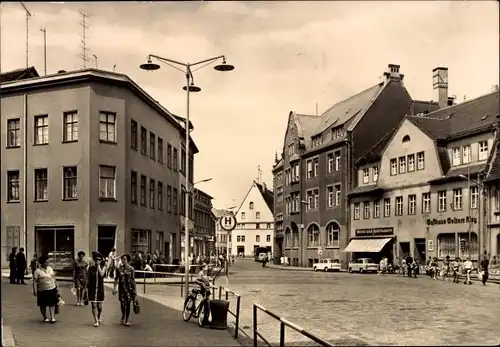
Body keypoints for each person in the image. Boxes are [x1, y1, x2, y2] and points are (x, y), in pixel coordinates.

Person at [32, 255, 58, 323]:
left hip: (51, 288)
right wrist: (34, 290)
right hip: (42, 290)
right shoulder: (37, 271)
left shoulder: (50, 268)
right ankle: (45, 317)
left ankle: (52, 317)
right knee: (42, 304)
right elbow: (34, 281)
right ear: (42, 263)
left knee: (52, 304)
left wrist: (56, 286)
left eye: (48, 261)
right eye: (46, 262)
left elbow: (53, 277)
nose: (48, 263)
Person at [113, 254, 137, 326]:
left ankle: (127, 319)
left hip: (129, 289)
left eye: (124, 259)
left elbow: (133, 280)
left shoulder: (131, 269)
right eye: (122, 259)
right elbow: (116, 279)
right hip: (121, 289)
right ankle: (123, 315)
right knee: (122, 304)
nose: (123, 261)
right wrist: (114, 288)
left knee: (128, 304)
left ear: (128, 260)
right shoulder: (119, 269)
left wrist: (135, 290)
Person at [88, 251, 106, 327]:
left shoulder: (103, 267)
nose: (97, 261)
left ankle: (98, 316)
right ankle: (96, 320)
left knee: (100, 307)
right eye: (96, 259)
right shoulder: (91, 268)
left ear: (101, 260)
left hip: (100, 289)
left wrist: (98, 266)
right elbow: (88, 279)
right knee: (93, 306)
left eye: (99, 259)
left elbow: (102, 274)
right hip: (92, 289)